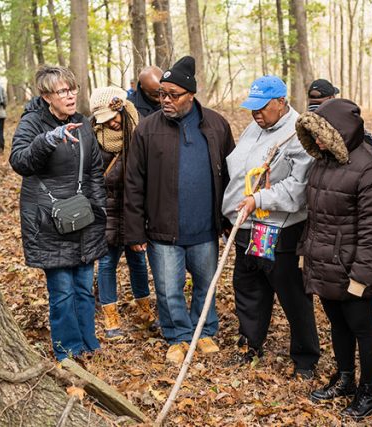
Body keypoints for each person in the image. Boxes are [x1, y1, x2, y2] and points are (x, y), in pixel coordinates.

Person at [124, 56, 235, 364]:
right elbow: (134, 183)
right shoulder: (147, 130)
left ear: (191, 94)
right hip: (163, 229)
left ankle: (204, 331)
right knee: (168, 289)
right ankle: (178, 336)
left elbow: (231, 176)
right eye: (161, 94)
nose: (166, 101)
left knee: (206, 283)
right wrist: (134, 229)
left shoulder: (216, 125)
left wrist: (227, 219)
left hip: (205, 227)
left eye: (173, 95)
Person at [296, 98, 372, 420]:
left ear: (341, 131)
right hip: (324, 264)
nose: (318, 141)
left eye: (323, 134)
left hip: (354, 269)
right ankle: (346, 378)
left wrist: (361, 278)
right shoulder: (323, 161)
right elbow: (315, 217)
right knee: (338, 324)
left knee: (362, 328)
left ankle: (367, 393)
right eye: (315, 134)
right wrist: (305, 253)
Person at [223, 76, 319, 377]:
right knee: (248, 286)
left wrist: (259, 198)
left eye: (262, 108)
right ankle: (250, 343)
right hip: (246, 226)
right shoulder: (255, 128)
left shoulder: (298, 132)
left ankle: (305, 358)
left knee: (291, 293)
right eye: (252, 108)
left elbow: (299, 186)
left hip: (281, 228)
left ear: (281, 102)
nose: (256, 114)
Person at [9, 66, 107, 361]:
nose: (71, 95)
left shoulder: (82, 123)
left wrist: (98, 207)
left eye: (73, 89)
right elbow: (20, 161)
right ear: (46, 96)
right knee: (62, 292)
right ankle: (68, 351)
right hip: (49, 221)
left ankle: (88, 343)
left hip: (83, 217)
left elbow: (94, 170)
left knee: (84, 289)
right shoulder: (32, 123)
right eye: (63, 91)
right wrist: (48, 140)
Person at [89, 86, 156, 339]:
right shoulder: (95, 138)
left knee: (138, 261)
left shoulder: (142, 132)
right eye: (105, 121)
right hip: (106, 212)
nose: (112, 124)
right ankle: (111, 319)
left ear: (123, 109)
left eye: (114, 118)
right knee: (106, 264)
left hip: (135, 212)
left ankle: (145, 313)